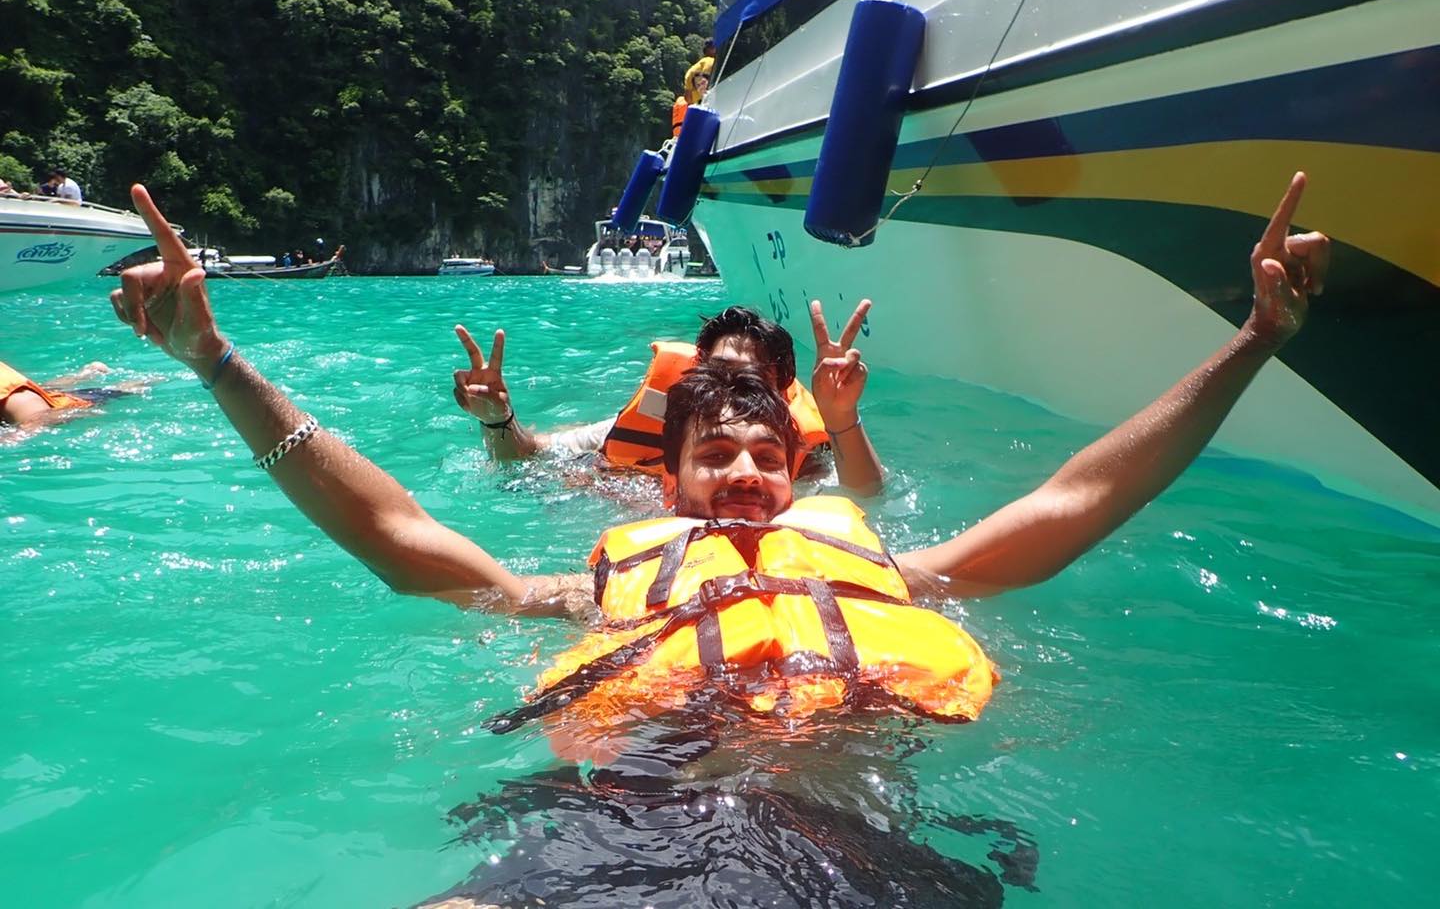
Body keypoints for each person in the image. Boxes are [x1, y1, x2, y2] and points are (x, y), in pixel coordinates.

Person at [111, 176, 1328, 905]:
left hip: (835, 831)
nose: (745, 470)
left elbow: (1080, 499)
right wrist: (218, 364)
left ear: (796, 474)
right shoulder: (600, 585)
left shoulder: (891, 572)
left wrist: (1254, 341)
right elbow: (397, 535)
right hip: (632, 816)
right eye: (716, 456)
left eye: (765, 455)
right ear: (673, 482)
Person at [452, 300, 885, 496]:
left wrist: (841, 415)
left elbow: (866, 497)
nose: (729, 388)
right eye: (717, 371)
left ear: (780, 390)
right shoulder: (657, 423)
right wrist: (497, 420)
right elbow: (525, 458)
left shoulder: (798, 457)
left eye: (749, 378)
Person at [0, 359, 132, 432]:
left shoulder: (16, 397)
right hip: (33, 397)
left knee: (117, 391)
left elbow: (36, 413)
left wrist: (16, 436)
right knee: (44, 390)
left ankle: (134, 384)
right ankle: (86, 374)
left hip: (54, 407)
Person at [684, 40, 717, 105]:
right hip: (708, 102)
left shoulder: (693, 69)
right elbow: (707, 84)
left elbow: (687, 98)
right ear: (710, 49)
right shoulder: (711, 61)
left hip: (697, 105)